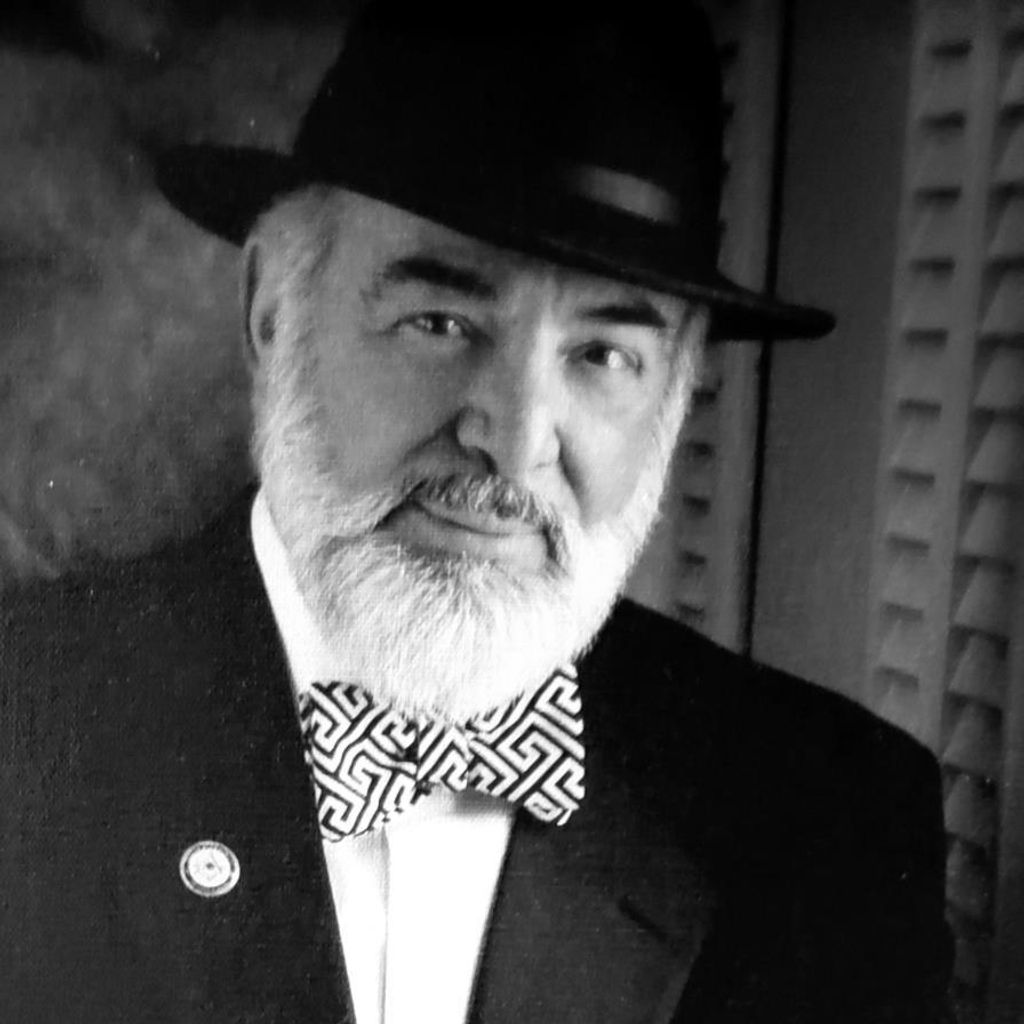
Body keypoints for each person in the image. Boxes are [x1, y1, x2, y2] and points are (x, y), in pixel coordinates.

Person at [0, 1, 952, 1022]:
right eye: (440, 321)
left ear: (675, 392)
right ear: (271, 313)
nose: (514, 436)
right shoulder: (28, 725)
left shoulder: (832, 820)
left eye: (602, 354)